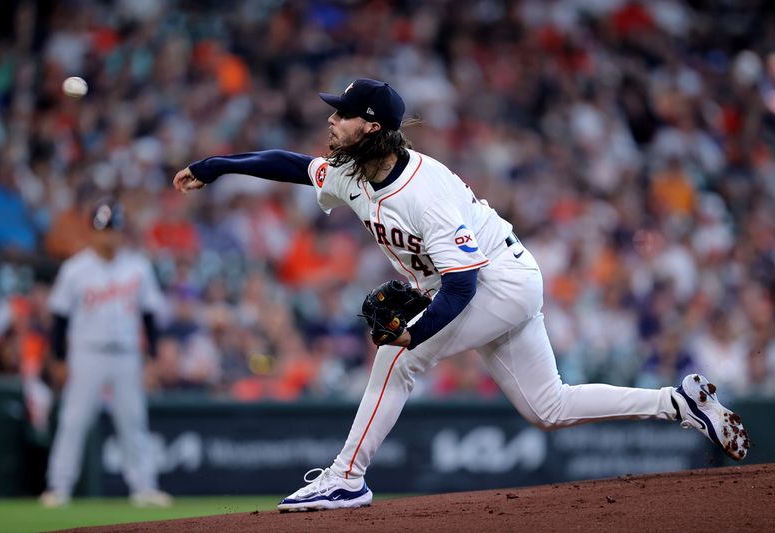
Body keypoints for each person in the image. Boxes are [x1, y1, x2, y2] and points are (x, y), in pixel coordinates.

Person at [173, 78, 749, 511]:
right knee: (547, 407)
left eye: (342, 114)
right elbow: (292, 165)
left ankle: (346, 476)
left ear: (371, 126)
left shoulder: (427, 192)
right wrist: (216, 166)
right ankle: (679, 404)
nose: (332, 121)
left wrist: (413, 334)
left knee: (397, 356)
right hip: (491, 282)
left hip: (499, 280)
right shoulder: (350, 172)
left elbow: (462, 285)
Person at [39, 199, 172, 508]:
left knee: (133, 420)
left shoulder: (137, 266)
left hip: (126, 353)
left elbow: (149, 315)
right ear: (92, 232)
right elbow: (59, 318)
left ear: (122, 233)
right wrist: (58, 358)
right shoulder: (75, 269)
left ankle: (144, 487)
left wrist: (152, 356)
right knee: (74, 420)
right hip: (87, 352)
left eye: (113, 230)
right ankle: (58, 487)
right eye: (102, 230)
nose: (108, 236)